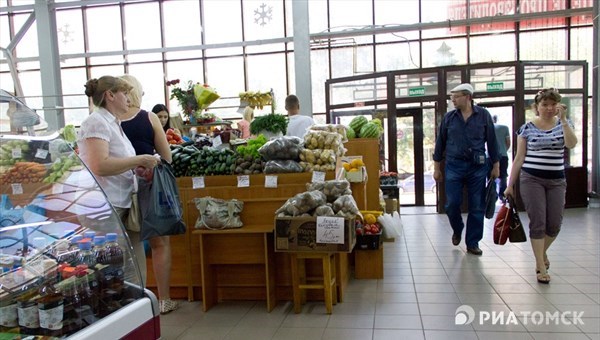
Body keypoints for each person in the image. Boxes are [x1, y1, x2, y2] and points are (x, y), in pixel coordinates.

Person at [77, 75, 160, 287]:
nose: (129, 99)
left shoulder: (114, 124)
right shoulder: (96, 122)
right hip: (103, 207)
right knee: (110, 265)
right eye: (124, 93)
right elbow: (100, 166)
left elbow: (116, 161)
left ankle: (137, 305)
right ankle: (116, 309)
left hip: (121, 203)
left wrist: (137, 169)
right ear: (110, 95)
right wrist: (139, 159)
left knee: (133, 258)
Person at [504, 88, 577, 284]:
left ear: (558, 106)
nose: (549, 108)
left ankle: (541, 253)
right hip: (531, 179)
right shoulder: (527, 128)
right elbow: (519, 158)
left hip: (556, 180)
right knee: (538, 222)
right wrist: (510, 185)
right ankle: (540, 266)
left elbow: (571, 144)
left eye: (553, 104)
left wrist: (563, 120)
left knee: (554, 224)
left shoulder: (564, 124)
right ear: (536, 107)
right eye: (544, 105)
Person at [120, 75, 179, 314]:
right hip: (148, 186)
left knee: (130, 246)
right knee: (159, 243)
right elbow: (167, 157)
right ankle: (163, 299)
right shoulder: (148, 117)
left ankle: (135, 301)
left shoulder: (108, 120)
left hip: (118, 186)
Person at [433, 83, 499, 256]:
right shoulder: (449, 118)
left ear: (468, 97)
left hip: (477, 167)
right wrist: (437, 168)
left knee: (477, 205)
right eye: (451, 97)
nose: (453, 99)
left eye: (456, 96)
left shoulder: (483, 115)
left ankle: (473, 242)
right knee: (452, 203)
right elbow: (440, 144)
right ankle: (457, 228)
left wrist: (496, 166)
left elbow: (492, 142)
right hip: (454, 165)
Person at [493, 115, 511, 202]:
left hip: (490, 156)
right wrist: (504, 150)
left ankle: (493, 196)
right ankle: (502, 195)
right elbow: (508, 143)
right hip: (503, 155)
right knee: (503, 176)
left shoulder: (488, 128)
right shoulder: (504, 128)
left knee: (491, 176)